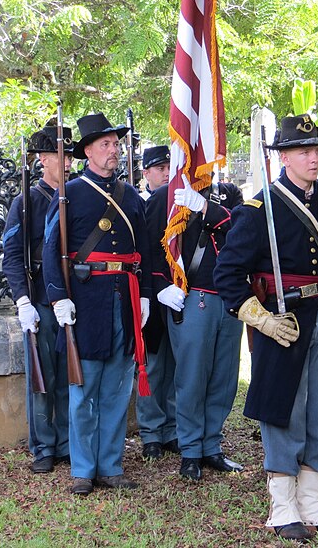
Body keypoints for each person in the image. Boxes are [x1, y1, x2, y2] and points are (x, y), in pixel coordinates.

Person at [214, 115, 318, 541]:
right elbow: (228, 272)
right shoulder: (259, 209)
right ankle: (283, 510)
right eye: (304, 150)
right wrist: (258, 318)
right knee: (284, 411)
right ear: (283, 157)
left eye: (316, 149)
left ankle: (315, 506)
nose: (313, 158)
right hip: (280, 321)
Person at [42, 112, 152, 496]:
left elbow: (146, 250)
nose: (114, 150)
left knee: (117, 390)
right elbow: (52, 250)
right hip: (86, 303)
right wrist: (58, 298)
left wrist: (147, 295)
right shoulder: (70, 195)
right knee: (83, 390)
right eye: (105, 144)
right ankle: (83, 469)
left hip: (124, 300)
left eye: (116, 144)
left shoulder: (131, 197)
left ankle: (110, 465)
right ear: (87, 151)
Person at [147, 172, 244, 481]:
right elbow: (151, 249)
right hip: (191, 298)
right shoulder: (165, 197)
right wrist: (161, 285)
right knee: (191, 378)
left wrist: (206, 207)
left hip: (230, 297)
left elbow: (241, 232)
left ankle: (211, 445)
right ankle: (190, 450)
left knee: (224, 377)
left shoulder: (227, 194)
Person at [2, 125, 72, 474]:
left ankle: (67, 441)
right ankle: (44, 445)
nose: (69, 162)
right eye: (62, 155)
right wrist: (23, 301)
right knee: (43, 379)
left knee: (71, 375)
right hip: (41, 298)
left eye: (71, 156)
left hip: (74, 297)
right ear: (44, 160)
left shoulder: (77, 195)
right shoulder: (26, 202)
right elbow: (12, 255)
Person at [136, 145, 179, 459]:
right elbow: (145, 253)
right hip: (152, 294)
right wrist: (155, 290)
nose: (166, 172)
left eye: (169, 166)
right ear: (146, 173)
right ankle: (151, 431)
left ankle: (174, 429)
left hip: (180, 295)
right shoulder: (143, 205)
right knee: (152, 366)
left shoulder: (180, 201)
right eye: (159, 167)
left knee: (178, 367)